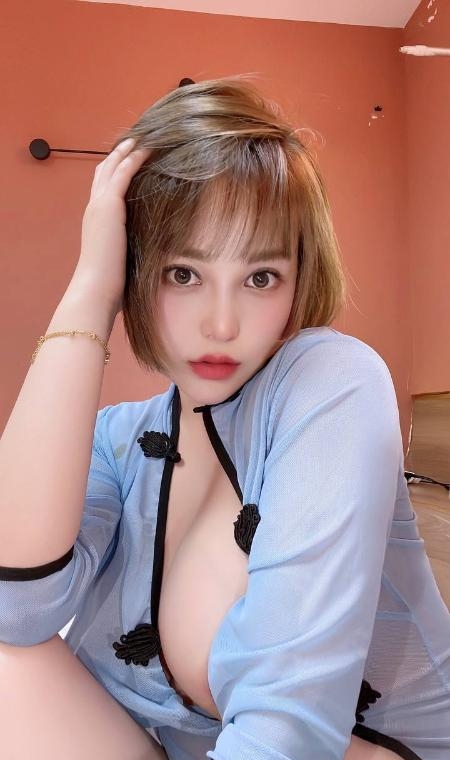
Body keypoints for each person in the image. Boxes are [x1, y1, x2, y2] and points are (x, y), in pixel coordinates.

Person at [0, 75, 449, 760]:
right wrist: (90, 289)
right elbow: (16, 610)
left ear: (298, 280)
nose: (221, 324)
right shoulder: (122, 440)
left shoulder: (330, 381)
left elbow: (290, 728)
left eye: (260, 278)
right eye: (182, 273)